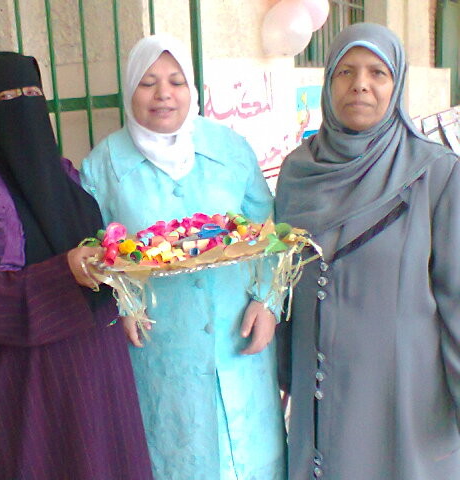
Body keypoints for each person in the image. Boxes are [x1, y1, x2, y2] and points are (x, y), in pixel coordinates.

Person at [0, 52, 153, 480]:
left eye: (32, 94)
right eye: (7, 98)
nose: (23, 106)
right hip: (26, 384)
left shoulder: (60, 173)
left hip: (96, 365)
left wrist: (119, 294)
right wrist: (64, 273)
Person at [81, 34, 286, 480]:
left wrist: (268, 302)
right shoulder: (102, 167)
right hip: (160, 344)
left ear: (191, 87)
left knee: (248, 459)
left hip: (237, 332)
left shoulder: (229, 149)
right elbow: (95, 250)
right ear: (130, 89)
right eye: (148, 83)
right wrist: (123, 305)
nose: (163, 94)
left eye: (176, 81)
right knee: (174, 456)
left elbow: (268, 230)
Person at [275, 23, 460, 480]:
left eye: (378, 72)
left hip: (405, 406)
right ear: (328, 82)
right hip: (319, 405)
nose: (360, 84)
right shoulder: (297, 173)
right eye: (346, 71)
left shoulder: (435, 174)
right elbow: (279, 286)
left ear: (397, 85)